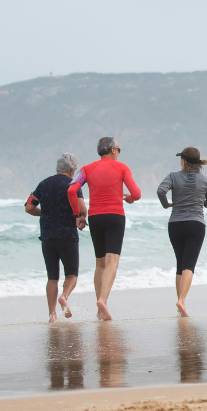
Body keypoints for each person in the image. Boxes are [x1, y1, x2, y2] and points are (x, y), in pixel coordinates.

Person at [67, 137, 142, 321]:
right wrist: (130, 199)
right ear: (114, 150)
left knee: (99, 263)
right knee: (112, 262)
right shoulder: (122, 167)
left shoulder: (86, 169)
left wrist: (78, 215)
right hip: (115, 216)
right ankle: (102, 300)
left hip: (95, 217)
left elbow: (71, 190)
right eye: (118, 149)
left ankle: (101, 309)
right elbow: (137, 194)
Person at [25, 153, 87, 322]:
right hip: (67, 235)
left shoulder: (43, 184)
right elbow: (81, 209)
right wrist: (82, 218)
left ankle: (52, 314)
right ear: (72, 170)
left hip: (47, 237)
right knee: (72, 275)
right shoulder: (73, 184)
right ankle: (64, 297)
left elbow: (29, 207)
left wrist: (43, 213)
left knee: (52, 277)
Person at [157, 146, 207, 317]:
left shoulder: (173, 176)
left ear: (183, 160)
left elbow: (161, 191)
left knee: (180, 264)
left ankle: (179, 304)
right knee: (189, 265)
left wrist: (166, 205)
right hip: (196, 224)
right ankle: (182, 301)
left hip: (175, 224)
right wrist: (200, 201)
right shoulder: (206, 180)